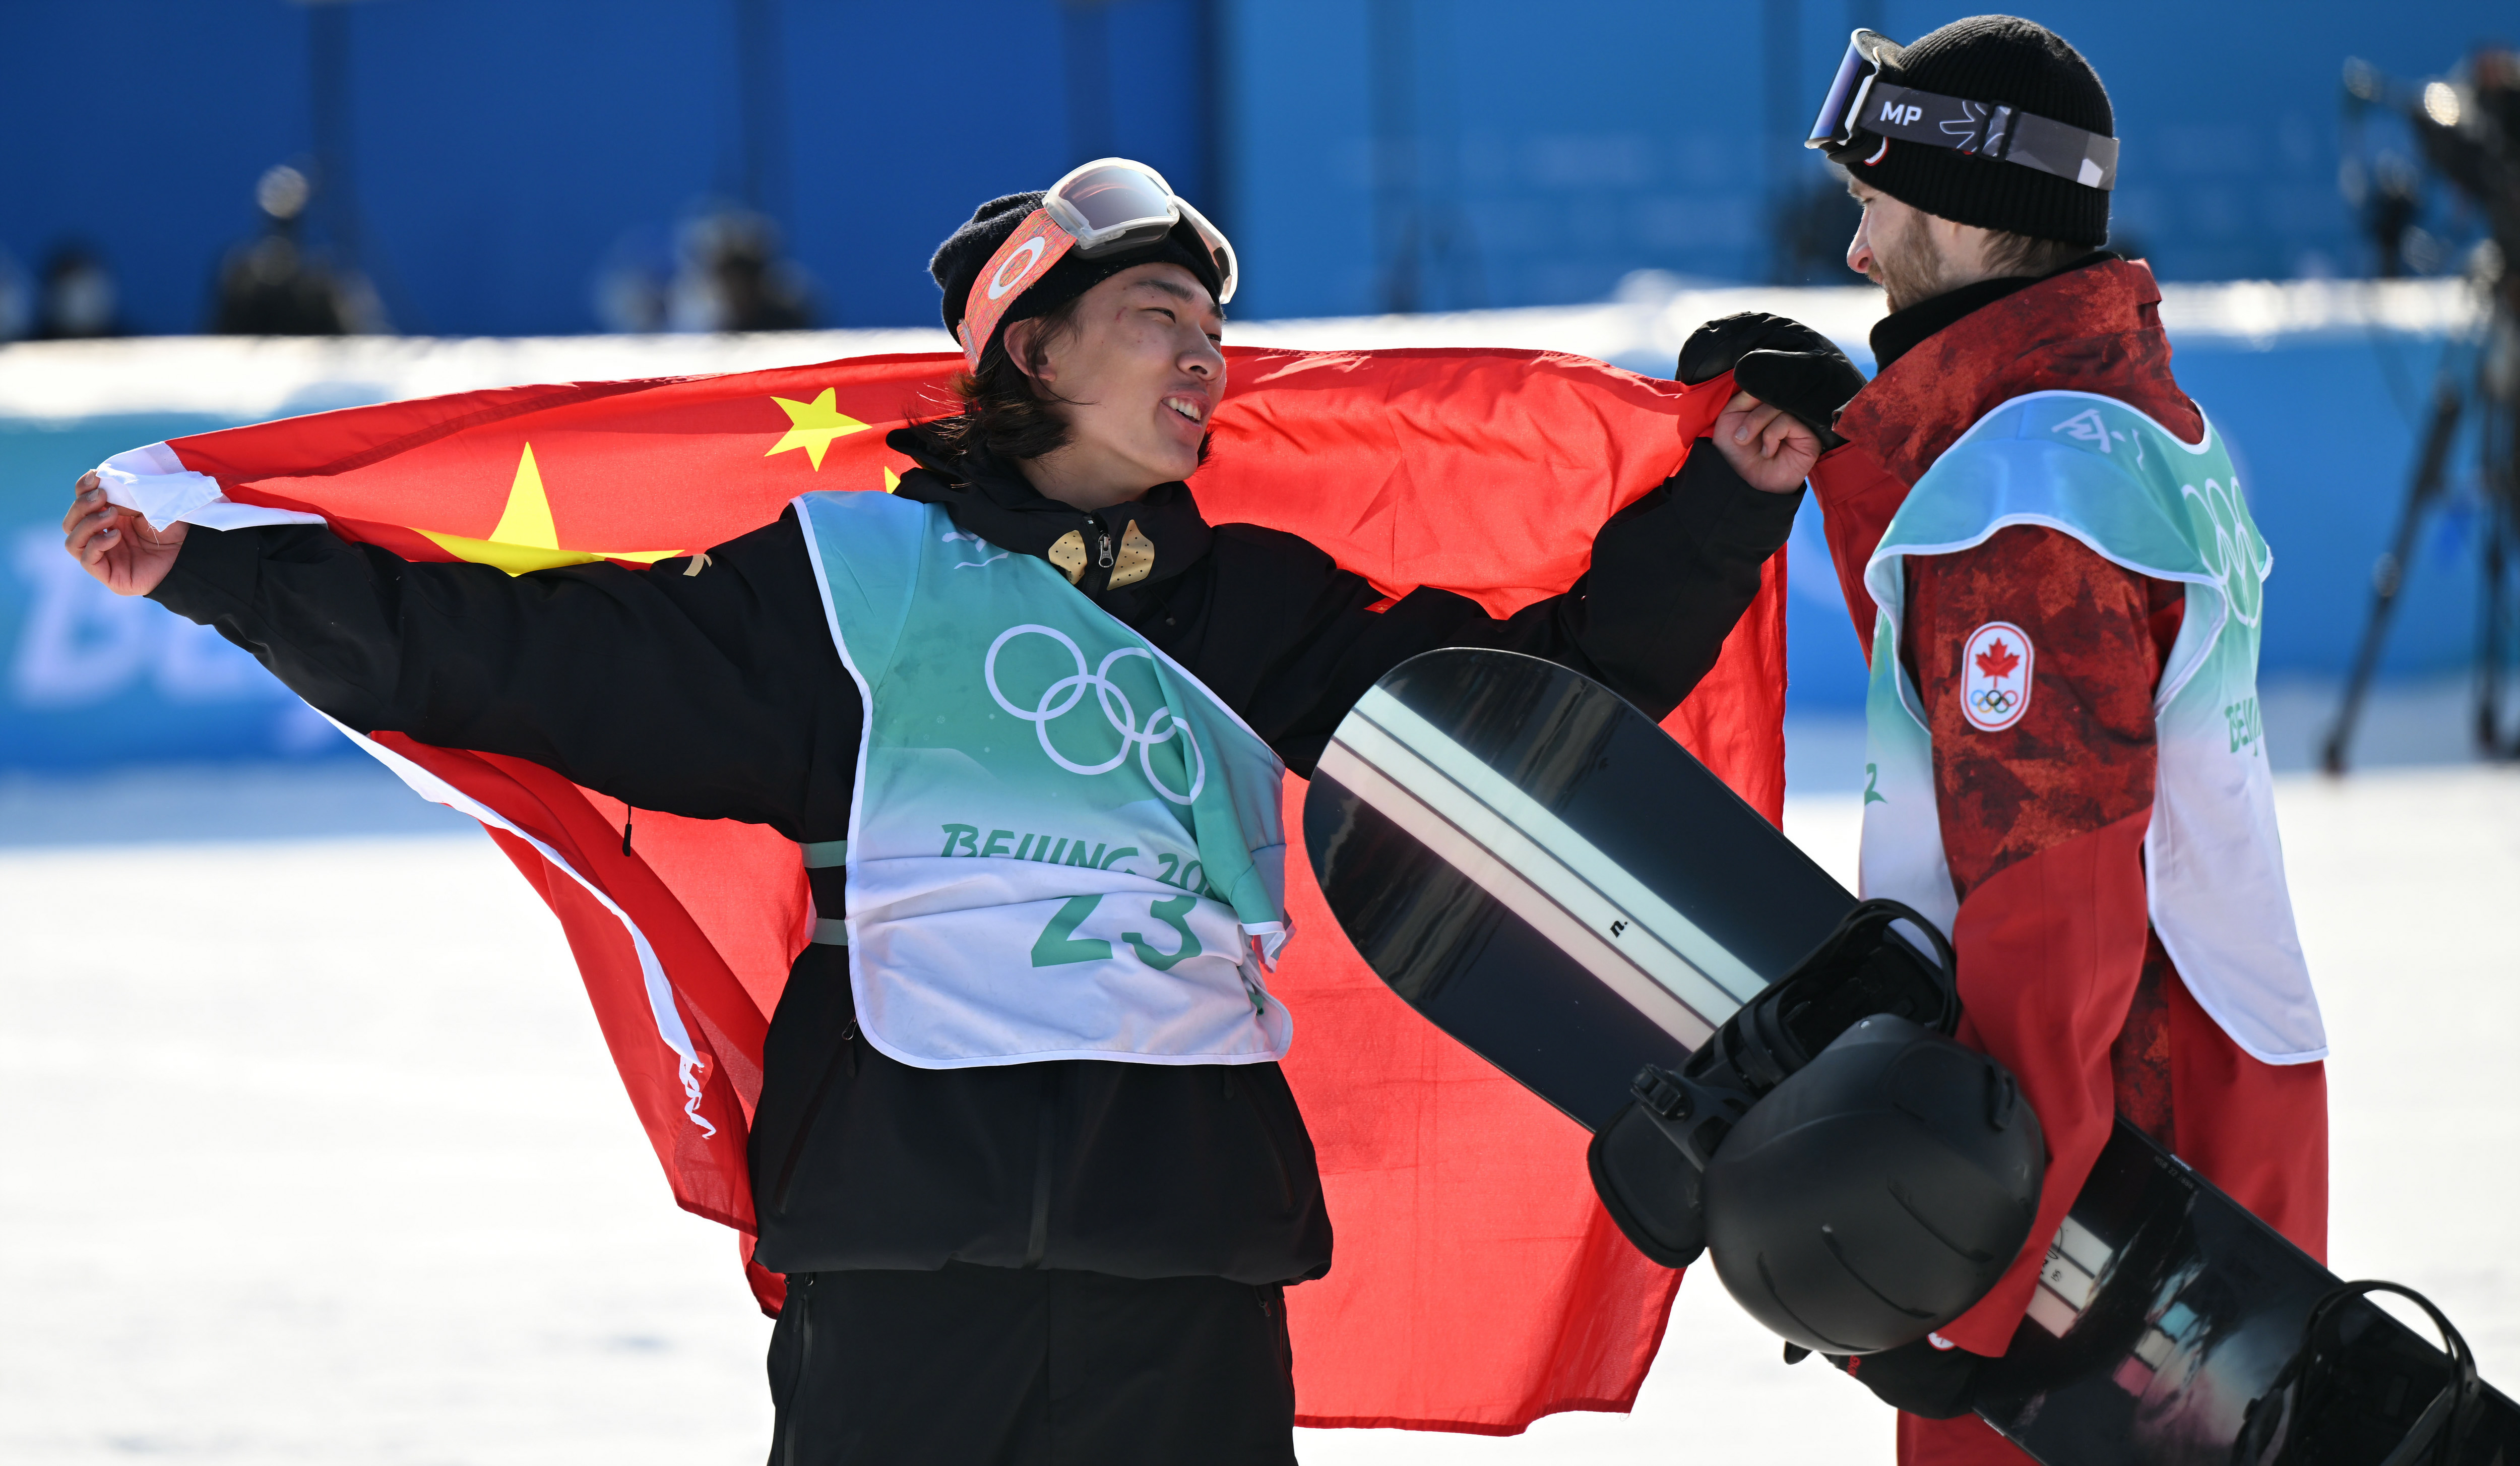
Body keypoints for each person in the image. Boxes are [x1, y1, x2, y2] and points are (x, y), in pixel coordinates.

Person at [67, 159, 1823, 1464]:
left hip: (1185, 1258)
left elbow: (1523, 725)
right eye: (1160, 322)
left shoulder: (1260, 605)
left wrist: (1728, 505)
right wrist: (222, 567)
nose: (1207, 357)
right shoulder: (846, 584)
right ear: (1035, 350)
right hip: (905, 1244)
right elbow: (518, 654)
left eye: (1215, 329)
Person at [1714, 18, 2330, 1462]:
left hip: (2084, 1208)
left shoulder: (2027, 507)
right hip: (2208, 1139)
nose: (1860, 255)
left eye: (1874, 208)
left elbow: (2050, 929)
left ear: (1971, 207)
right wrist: (1866, 453)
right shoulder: (2128, 423)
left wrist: (1973, 1300)